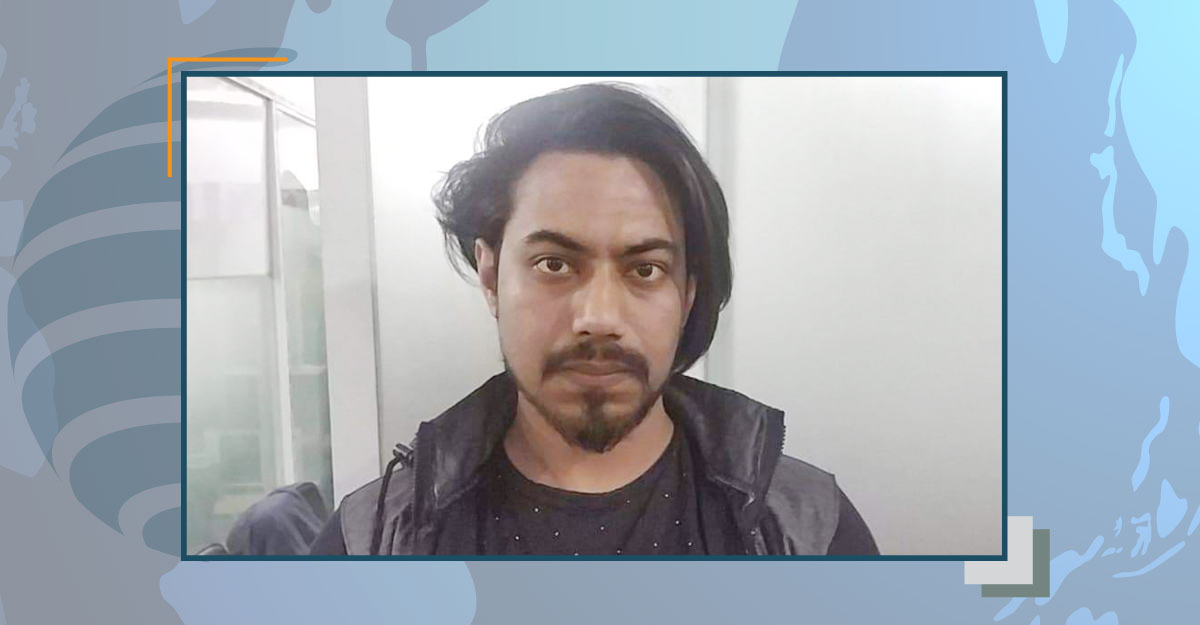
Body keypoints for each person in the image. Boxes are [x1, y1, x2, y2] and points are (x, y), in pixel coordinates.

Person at [310, 83, 878, 556]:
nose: (599, 318)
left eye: (646, 269)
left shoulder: (809, 531)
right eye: (554, 264)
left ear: (688, 293)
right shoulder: (371, 542)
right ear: (491, 275)